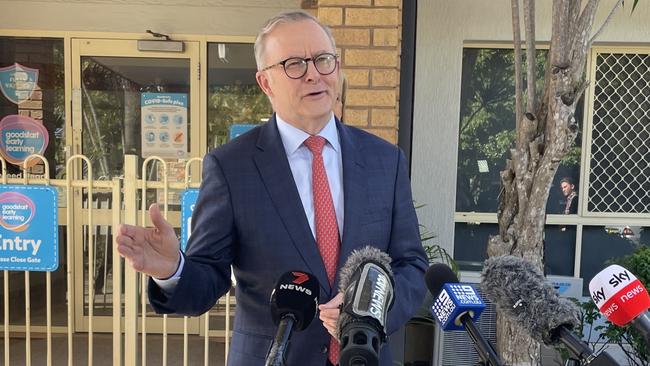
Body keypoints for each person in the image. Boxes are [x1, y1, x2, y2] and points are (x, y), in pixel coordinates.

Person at [116, 11, 427, 366]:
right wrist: (173, 270)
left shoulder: (386, 160)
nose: (314, 73)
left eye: (324, 60)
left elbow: (411, 265)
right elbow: (208, 280)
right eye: (294, 63)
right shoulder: (232, 165)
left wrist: (372, 310)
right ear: (265, 83)